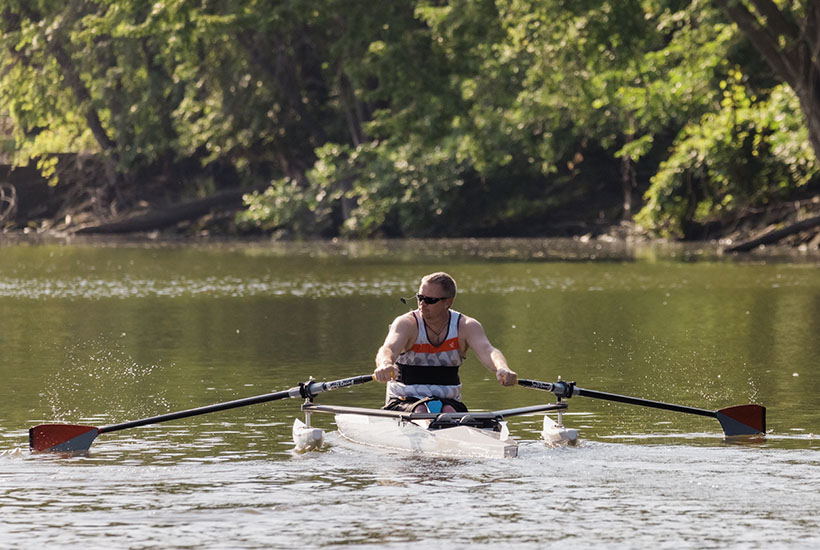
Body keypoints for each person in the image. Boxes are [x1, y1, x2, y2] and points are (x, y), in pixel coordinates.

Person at [373, 272, 517, 413]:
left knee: (448, 410)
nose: (422, 304)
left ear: (448, 302)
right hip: (403, 401)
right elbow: (388, 349)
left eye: (429, 300)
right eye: (420, 298)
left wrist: (502, 368)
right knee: (420, 410)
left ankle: (446, 429)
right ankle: (433, 428)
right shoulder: (407, 324)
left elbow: (488, 350)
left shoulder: (466, 326)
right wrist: (385, 364)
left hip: (448, 403)